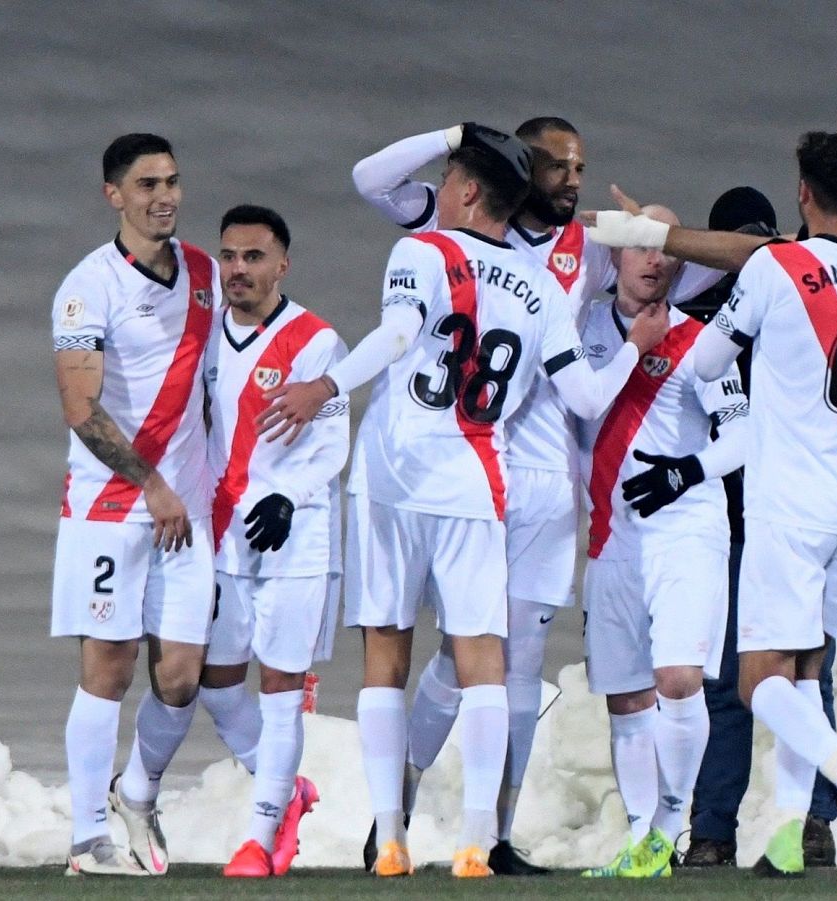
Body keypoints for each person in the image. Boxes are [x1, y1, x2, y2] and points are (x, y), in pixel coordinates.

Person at [262, 126, 668, 878]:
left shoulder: (422, 251)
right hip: (480, 478)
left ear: (468, 191)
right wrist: (639, 346)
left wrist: (326, 385)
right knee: (487, 660)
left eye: (448, 176)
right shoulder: (543, 286)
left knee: (386, 655)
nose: (441, 188)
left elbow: (398, 332)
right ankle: (478, 842)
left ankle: (390, 839)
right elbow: (582, 393)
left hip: (390, 473)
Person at [349, 117, 720, 874]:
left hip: (544, 483)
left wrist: (658, 229)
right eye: (557, 166)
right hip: (466, 469)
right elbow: (370, 180)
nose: (573, 180)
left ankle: (492, 833)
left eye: (580, 167)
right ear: (518, 172)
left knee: (510, 668)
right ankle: (404, 792)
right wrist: (449, 134)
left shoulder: (586, 245)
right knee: (455, 664)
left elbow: (713, 269)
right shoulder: (454, 231)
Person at [681, 131, 837, 881]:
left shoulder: (774, 266)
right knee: (808, 666)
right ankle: (791, 831)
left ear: (802, 192)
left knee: (760, 678)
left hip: (791, 503)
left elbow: (705, 363)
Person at [50, 133, 218, 876]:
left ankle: (137, 789)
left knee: (181, 676)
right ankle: (88, 839)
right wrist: (153, 485)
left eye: (173, 181)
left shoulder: (207, 275)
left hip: (189, 509)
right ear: (113, 194)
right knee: (109, 669)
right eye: (147, 183)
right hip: (113, 504)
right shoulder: (87, 288)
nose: (165, 197)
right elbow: (81, 409)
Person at [573, 204, 748, 879]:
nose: (653, 262)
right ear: (612, 257)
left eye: (665, 252)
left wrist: (688, 469)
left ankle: (670, 826)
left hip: (687, 528)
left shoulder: (703, 340)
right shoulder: (579, 329)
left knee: (678, 679)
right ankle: (641, 833)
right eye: (639, 248)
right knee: (626, 697)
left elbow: (745, 431)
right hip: (611, 534)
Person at [678, 188, 837, 870]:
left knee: (786, 677)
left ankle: (795, 824)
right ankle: (738, 827)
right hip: (759, 521)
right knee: (771, 678)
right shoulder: (718, 315)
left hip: (776, 518)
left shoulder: (726, 318)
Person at [194, 204, 348, 878]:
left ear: (282, 265)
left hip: (296, 536)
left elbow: (334, 439)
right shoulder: (202, 339)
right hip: (223, 532)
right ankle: (284, 789)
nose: (238, 270)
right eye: (229, 256)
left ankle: (259, 839)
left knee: (281, 686)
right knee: (215, 680)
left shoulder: (316, 340)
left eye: (254, 257)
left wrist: (291, 494)